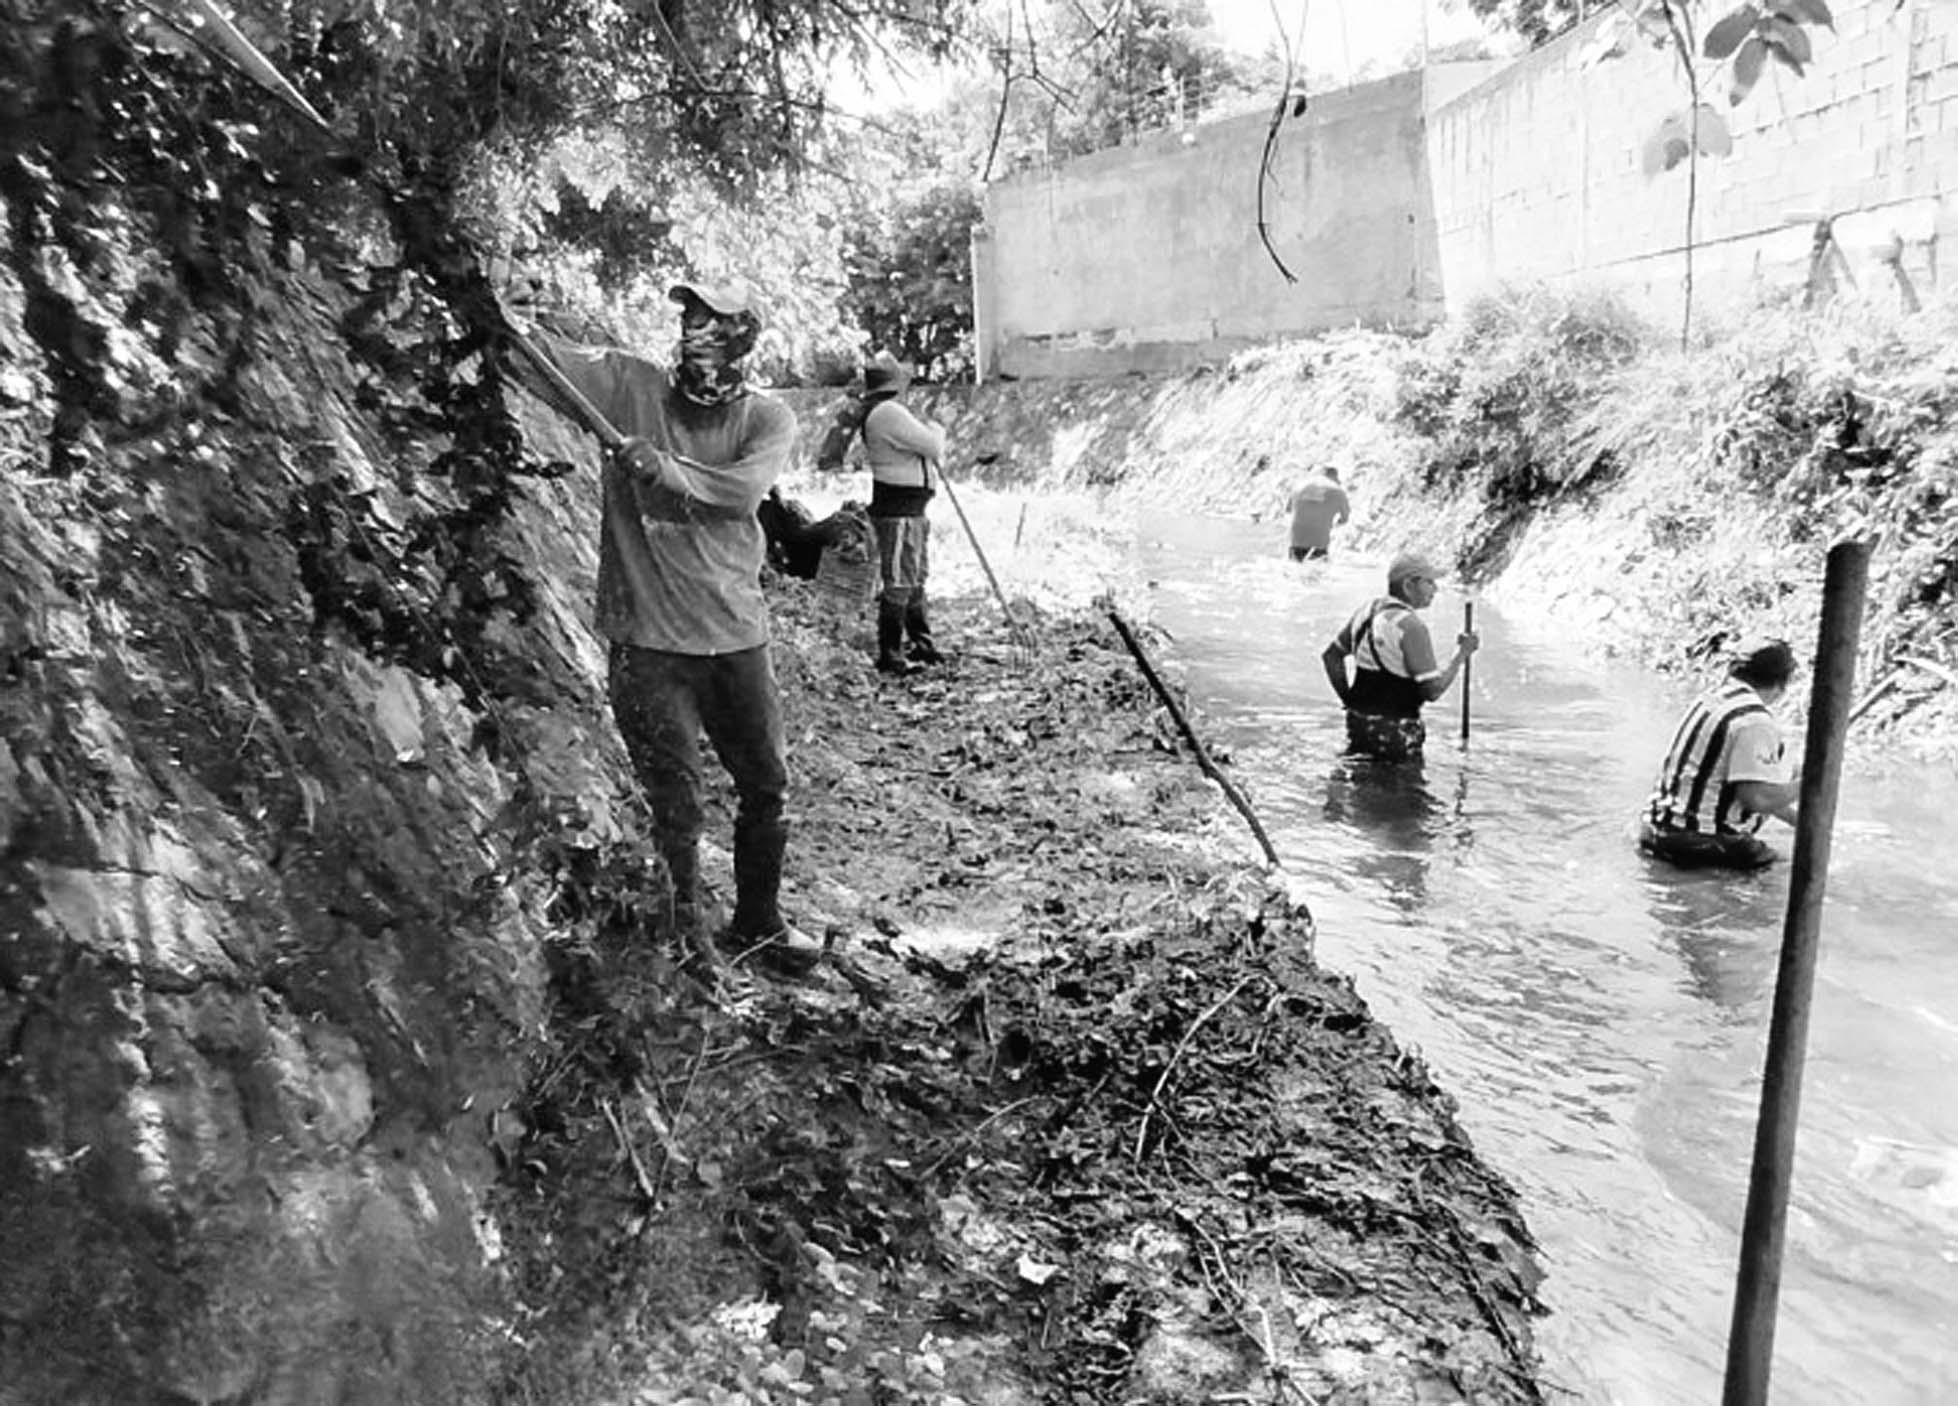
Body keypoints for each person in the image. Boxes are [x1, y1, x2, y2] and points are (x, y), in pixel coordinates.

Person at [519, 280, 819, 974]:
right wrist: (495, 309)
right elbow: (538, 362)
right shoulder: (630, 386)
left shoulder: (766, 419)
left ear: (745, 335)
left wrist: (665, 469)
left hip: (735, 637)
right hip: (648, 643)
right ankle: (688, 943)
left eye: (714, 321)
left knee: (765, 785)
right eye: (689, 317)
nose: (696, 332)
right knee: (674, 802)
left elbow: (740, 492)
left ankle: (760, 922)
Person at [1638, 634, 1802, 870]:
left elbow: (1746, 789)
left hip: (1655, 830)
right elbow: (1757, 798)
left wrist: (1799, 822)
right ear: (1783, 683)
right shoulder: (1755, 722)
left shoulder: (1710, 699)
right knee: (1790, 870)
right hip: (1700, 841)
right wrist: (1809, 783)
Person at [1321, 551, 1478, 761]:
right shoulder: (1410, 627)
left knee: (1360, 773)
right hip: (1396, 733)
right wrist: (1461, 654)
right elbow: (1432, 690)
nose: (1435, 589)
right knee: (1404, 782)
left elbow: (1331, 657)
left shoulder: (1366, 612)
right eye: (1429, 582)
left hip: (1358, 723)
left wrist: (1348, 700)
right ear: (1408, 585)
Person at [858, 352, 947, 674]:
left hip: (910, 510)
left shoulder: (887, 412)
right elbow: (934, 447)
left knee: (915, 577)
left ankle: (922, 643)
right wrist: (937, 426)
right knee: (900, 579)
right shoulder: (887, 413)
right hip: (898, 513)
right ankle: (891, 653)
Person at [1287, 466, 1351, 561]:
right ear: (1334, 477)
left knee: (1295, 567)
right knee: (1317, 568)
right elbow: (1345, 519)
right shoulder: (1337, 491)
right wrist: (1334, 524)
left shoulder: (1299, 486)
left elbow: (1288, 510)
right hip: (1319, 541)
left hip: (1297, 539)